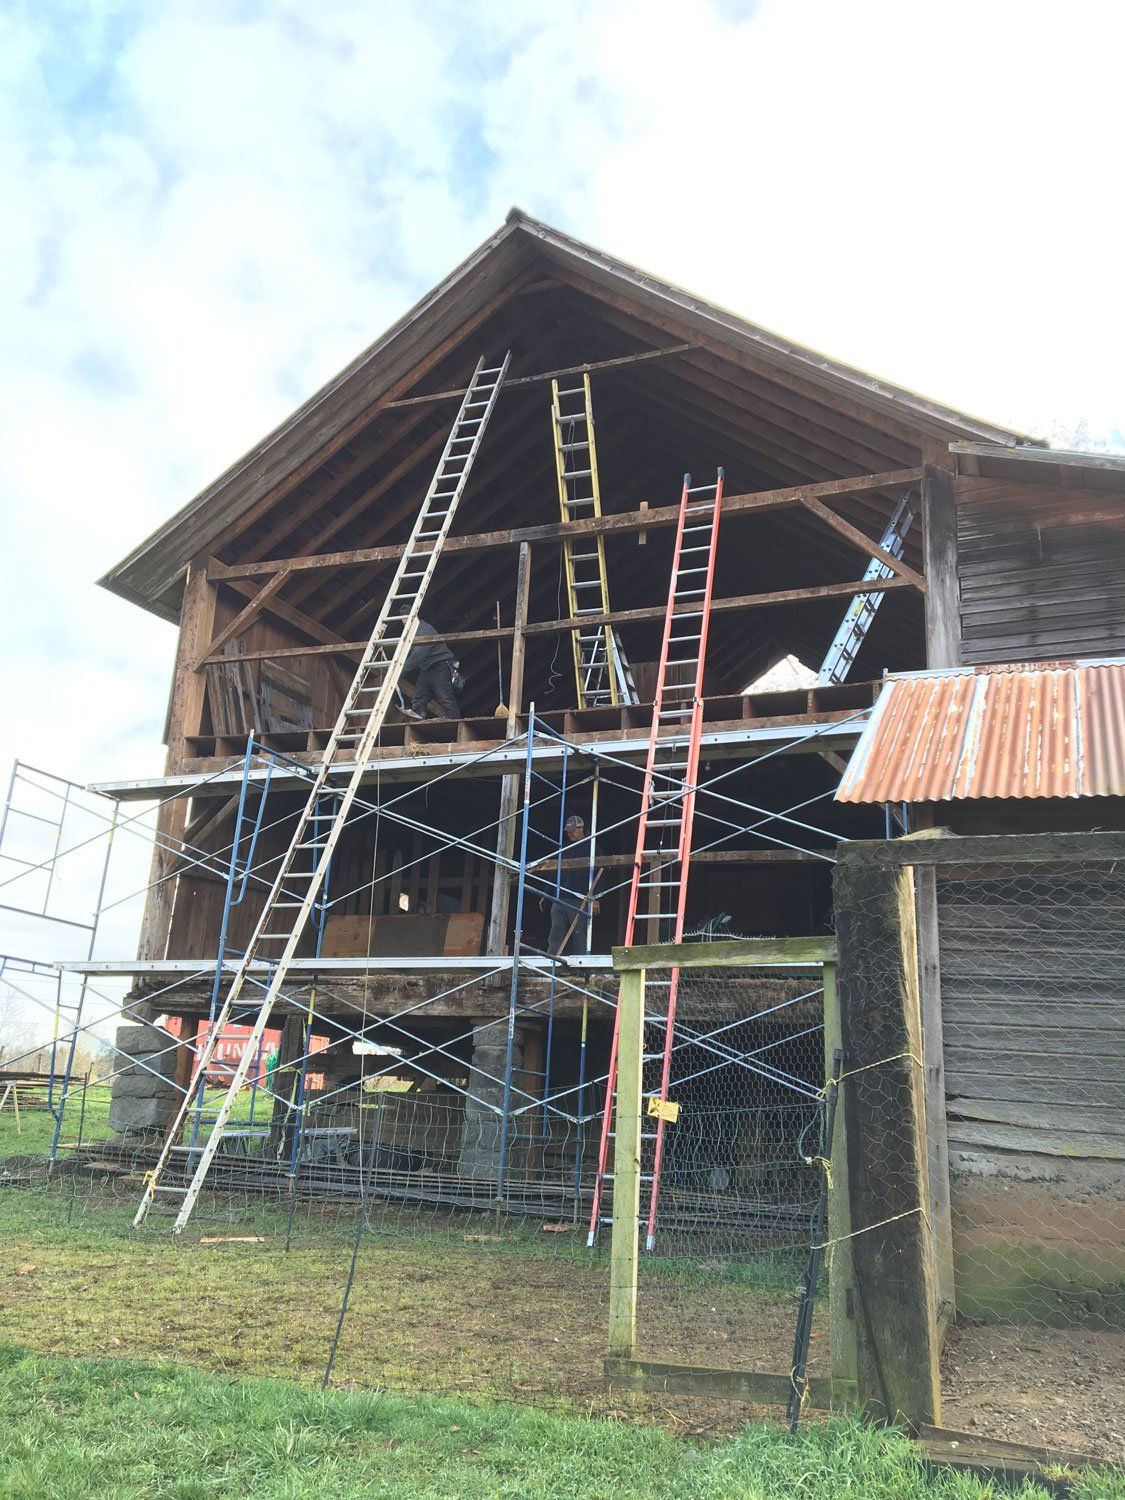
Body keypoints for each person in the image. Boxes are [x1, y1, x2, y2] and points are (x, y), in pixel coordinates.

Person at [538, 814, 601, 957]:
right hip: (559, 898)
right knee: (556, 930)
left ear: (581, 828)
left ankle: (581, 963)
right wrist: (545, 893)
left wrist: (596, 896)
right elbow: (555, 872)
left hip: (578, 898)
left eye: (572, 830)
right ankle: (552, 960)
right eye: (568, 831)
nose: (569, 834)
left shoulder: (592, 848)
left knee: (579, 933)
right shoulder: (565, 848)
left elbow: (600, 873)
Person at [405, 620, 461, 719]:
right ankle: (417, 721)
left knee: (445, 697)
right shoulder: (412, 631)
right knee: (419, 698)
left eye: (405, 619)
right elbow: (410, 651)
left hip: (439, 666)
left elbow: (418, 654)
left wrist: (402, 669)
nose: (404, 623)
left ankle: (454, 721)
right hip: (426, 668)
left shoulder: (424, 629)